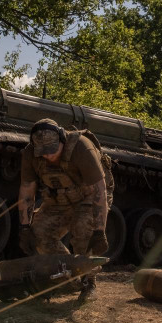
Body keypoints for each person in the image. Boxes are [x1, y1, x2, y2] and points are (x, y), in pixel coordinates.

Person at [18, 118, 110, 303]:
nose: (49, 156)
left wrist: (99, 232)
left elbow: (100, 190)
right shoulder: (30, 154)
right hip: (57, 202)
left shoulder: (81, 148)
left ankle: (88, 282)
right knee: (40, 234)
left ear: (62, 139)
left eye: (52, 150)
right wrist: (25, 228)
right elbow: (27, 192)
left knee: (83, 231)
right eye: (43, 152)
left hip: (88, 199)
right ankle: (68, 276)